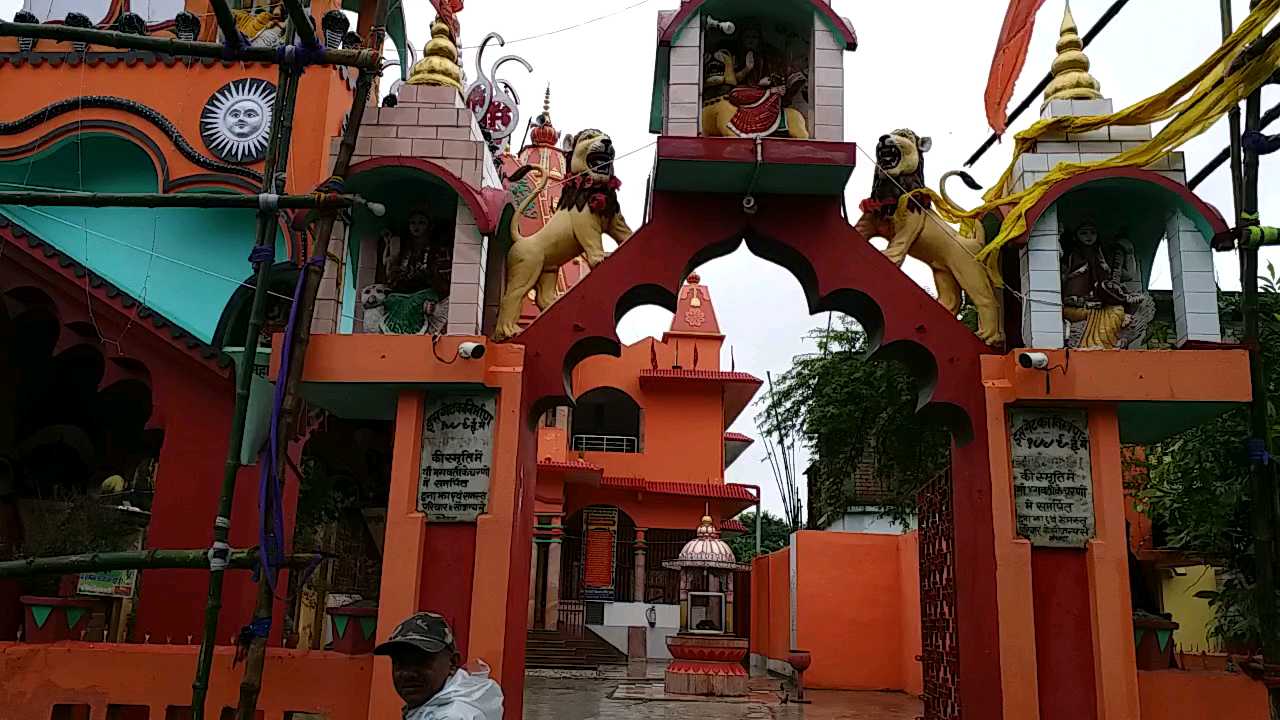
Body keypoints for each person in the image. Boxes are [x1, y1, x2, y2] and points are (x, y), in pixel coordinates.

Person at [374, 612, 503, 720]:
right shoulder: (438, 704)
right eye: (400, 663)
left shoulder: (452, 716)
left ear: (452, 662)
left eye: (421, 661)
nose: (408, 673)